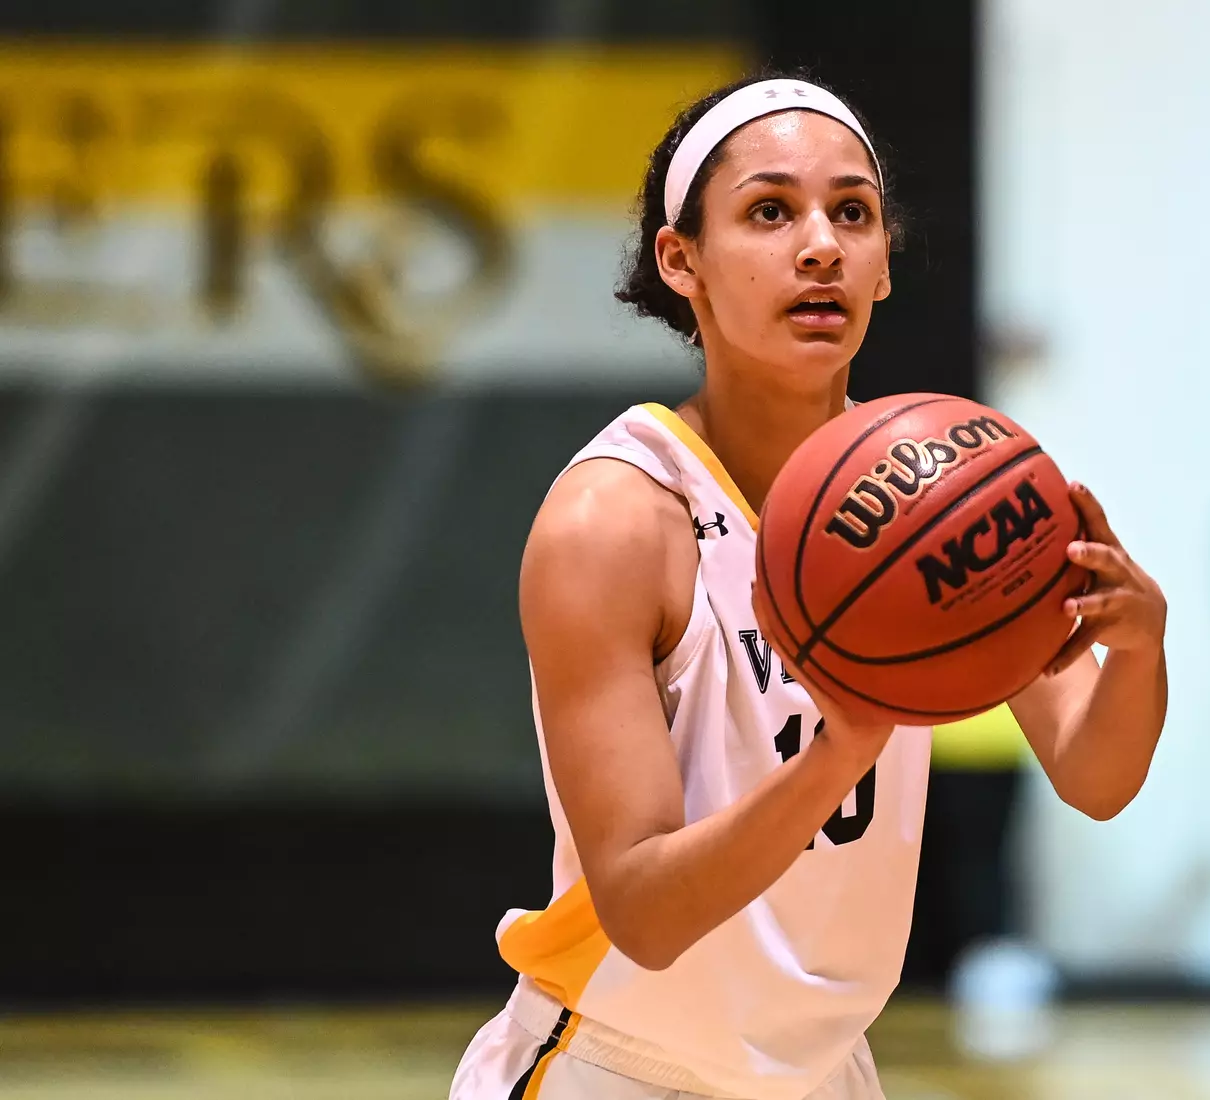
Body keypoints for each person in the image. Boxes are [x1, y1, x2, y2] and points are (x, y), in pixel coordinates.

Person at [449, 72, 1169, 1100]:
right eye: (770, 212)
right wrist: (842, 752)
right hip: (612, 1063)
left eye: (852, 213)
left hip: (824, 1072)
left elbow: (1097, 775)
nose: (821, 245)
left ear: (884, 265)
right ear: (680, 259)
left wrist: (1137, 650)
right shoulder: (613, 519)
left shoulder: (938, 494)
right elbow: (644, 911)